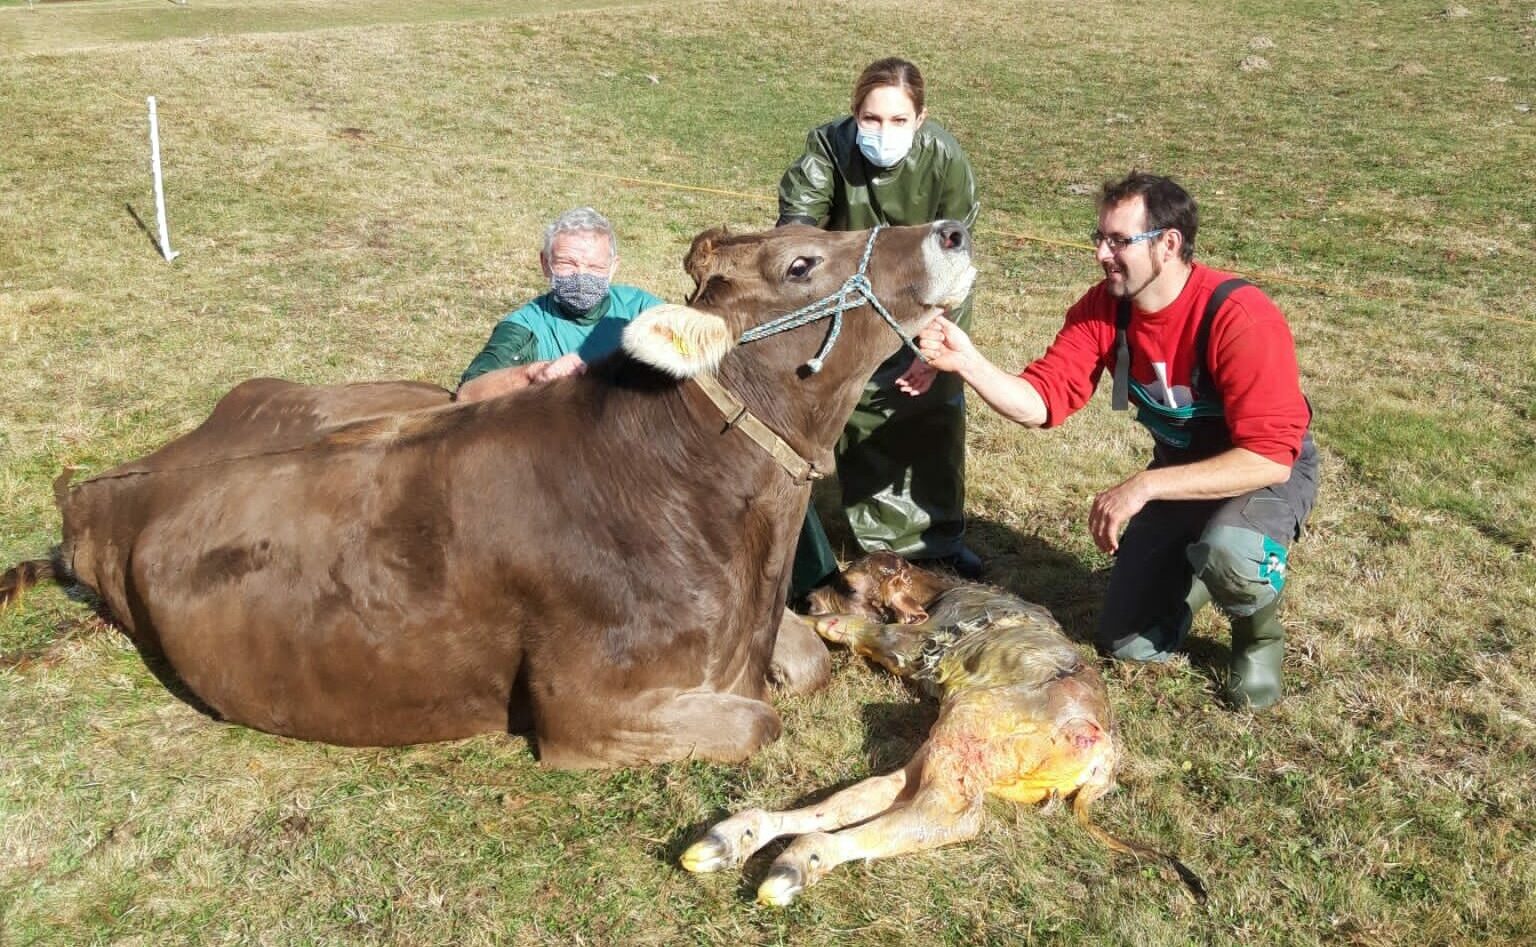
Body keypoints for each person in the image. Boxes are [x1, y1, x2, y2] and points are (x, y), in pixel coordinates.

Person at [915, 171, 1318, 710]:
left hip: (1259, 474)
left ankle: (1257, 633)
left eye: (1119, 241)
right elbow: (1042, 402)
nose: (1103, 254)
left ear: (1168, 244)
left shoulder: (1238, 316)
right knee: (1127, 645)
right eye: (1099, 239)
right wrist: (967, 362)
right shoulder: (1104, 309)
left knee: (1234, 553)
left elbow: (1269, 457)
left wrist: (1145, 485)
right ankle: (1198, 572)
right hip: (1179, 474)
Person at [777, 57, 983, 597]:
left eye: (897, 121)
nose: (882, 133)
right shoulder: (826, 148)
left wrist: (934, 338)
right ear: (854, 115)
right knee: (837, 402)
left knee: (933, 403)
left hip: (923, 295)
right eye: (871, 119)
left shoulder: (945, 160)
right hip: (843, 296)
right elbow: (797, 226)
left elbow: (957, 254)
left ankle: (937, 539)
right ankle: (833, 532)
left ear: (921, 119)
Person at [457, 207, 663, 402]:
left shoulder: (641, 309)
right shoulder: (526, 327)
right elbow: (468, 393)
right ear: (545, 264)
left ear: (613, 267)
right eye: (567, 263)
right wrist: (534, 374)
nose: (581, 276)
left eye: (595, 266)